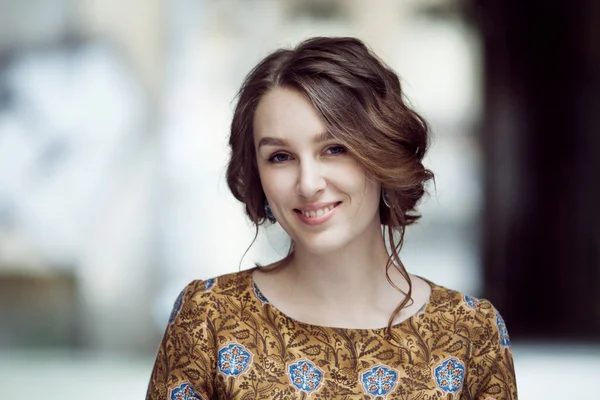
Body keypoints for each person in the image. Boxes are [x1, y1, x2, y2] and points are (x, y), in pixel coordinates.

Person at [146, 37, 517, 399]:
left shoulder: (469, 333)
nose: (308, 184)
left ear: (382, 152)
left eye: (334, 149)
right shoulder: (208, 321)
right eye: (280, 156)